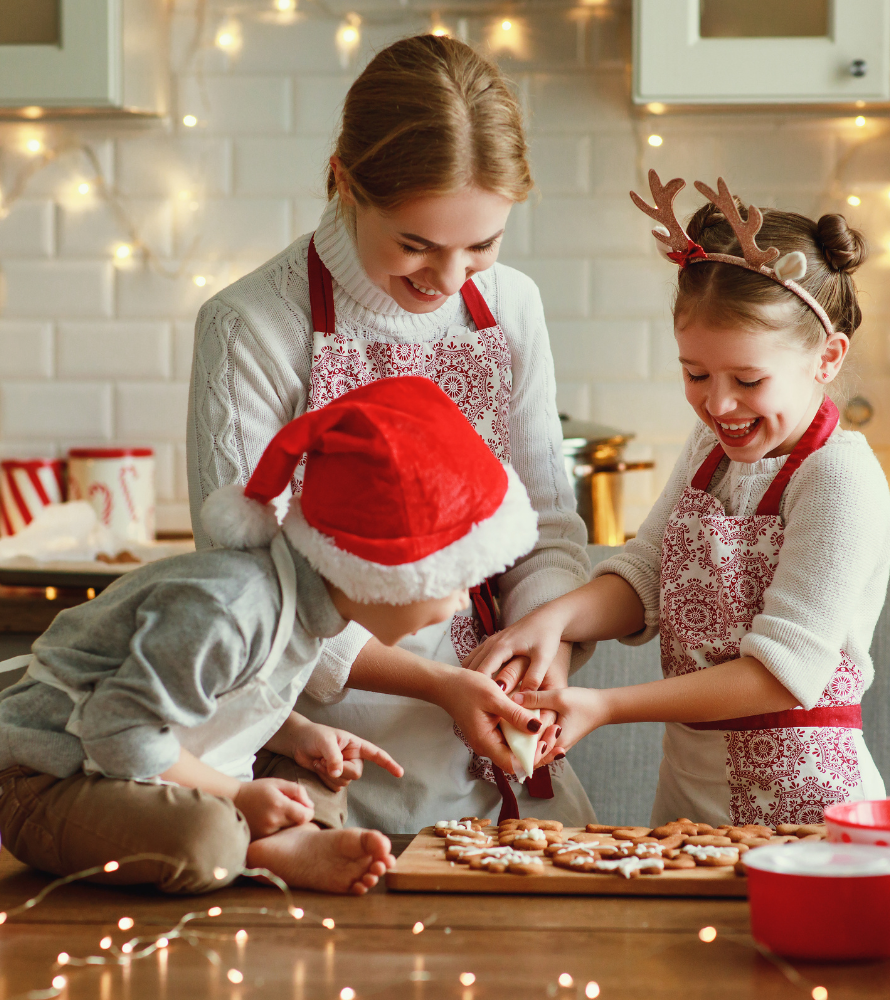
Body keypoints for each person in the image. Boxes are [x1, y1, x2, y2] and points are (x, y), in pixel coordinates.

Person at [187, 34, 595, 831]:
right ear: (345, 180)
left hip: (499, 751)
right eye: (416, 245)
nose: (448, 280)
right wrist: (437, 685)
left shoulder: (510, 307)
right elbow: (246, 590)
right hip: (321, 757)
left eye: (482, 246)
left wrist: (545, 644)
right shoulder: (252, 326)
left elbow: (546, 526)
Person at [466, 174, 890, 828]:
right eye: (695, 374)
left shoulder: (838, 478)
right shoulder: (709, 447)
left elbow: (780, 677)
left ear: (828, 358)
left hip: (808, 807)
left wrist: (604, 705)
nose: (718, 404)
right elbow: (646, 574)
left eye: (747, 379)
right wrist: (549, 621)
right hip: (690, 796)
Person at [0, 378, 543, 893]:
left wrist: (297, 734)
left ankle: (275, 838)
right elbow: (118, 733)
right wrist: (237, 793)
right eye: (453, 580)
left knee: (322, 784)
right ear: (387, 573)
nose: (461, 600)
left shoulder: (309, 607)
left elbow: (218, 694)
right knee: (203, 839)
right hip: (54, 776)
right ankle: (261, 850)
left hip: (154, 763)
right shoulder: (230, 608)